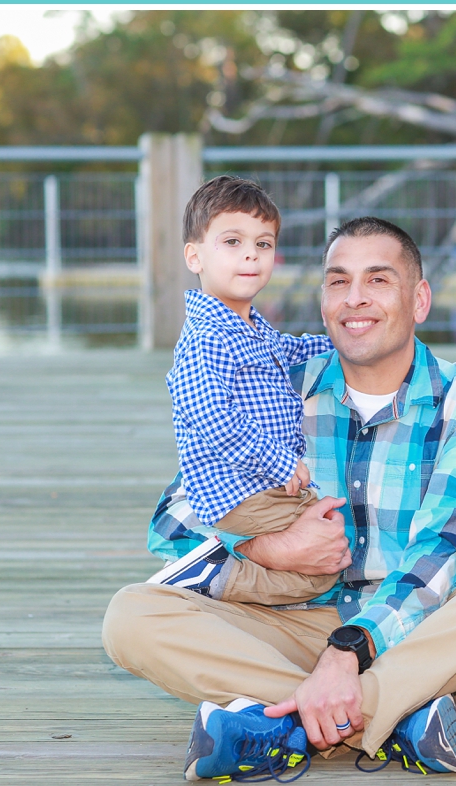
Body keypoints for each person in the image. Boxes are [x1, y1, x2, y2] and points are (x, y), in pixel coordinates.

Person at [102, 216, 456, 782]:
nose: (355, 299)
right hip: (287, 627)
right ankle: (393, 722)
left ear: (419, 299)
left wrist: (350, 649)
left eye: (378, 280)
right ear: (322, 300)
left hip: (415, 638)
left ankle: (289, 724)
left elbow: (442, 557)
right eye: (338, 281)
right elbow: (173, 517)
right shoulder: (274, 384)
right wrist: (271, 548)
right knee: (131, 615)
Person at [146, 176, 335, 599]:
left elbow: (288, 351)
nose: (251, 253)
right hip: (240, 491)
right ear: (194, 257)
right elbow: (215, 420)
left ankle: (232, 585)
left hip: (259, 484)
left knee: (329, 544)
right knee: (325, 560)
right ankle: (211, 577)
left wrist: (341, 342)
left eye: (263, 244)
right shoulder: (205, 338)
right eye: (232, 242)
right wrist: (282, 464)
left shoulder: (248, 325)